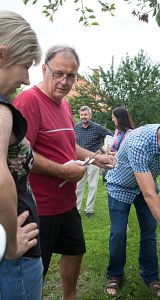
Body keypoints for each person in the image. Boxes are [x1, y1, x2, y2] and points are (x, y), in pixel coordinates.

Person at [14, 45, 114, 300]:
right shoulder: (29, 100)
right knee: (38, 267)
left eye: (71, 76)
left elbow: (68, 145)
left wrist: (94, 158)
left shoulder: (64, 105)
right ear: (44, 69)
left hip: (66, 202)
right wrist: (62, 172)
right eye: (58, 73)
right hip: (39, 206)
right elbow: (19, 155)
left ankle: (69, 296)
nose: (64, 81)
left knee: (75, 250)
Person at [104, 117, 160, 297]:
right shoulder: (139, 142)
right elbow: (149, 194)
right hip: (120, 185)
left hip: (145, 182)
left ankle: (150, 276)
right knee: (118, 232)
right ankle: (115, 274)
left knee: (149, 230)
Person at [0, 10, 43, 300]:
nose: (27, 79)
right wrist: (11, 242)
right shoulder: (1, 110)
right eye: (25, 66)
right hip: (12, 261)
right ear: (2, 54)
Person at [74, 105, 112, 216]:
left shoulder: (97, 127)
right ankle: (76, 209)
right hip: (80, 160)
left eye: (85, 114)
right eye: (81, 115)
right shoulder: (75, 127)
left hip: (94, 160)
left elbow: (110, 136)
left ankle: (89, 210)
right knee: (78, 186)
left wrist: (103, 149)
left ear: (90, 115)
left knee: (92, 185)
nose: (83, 117)